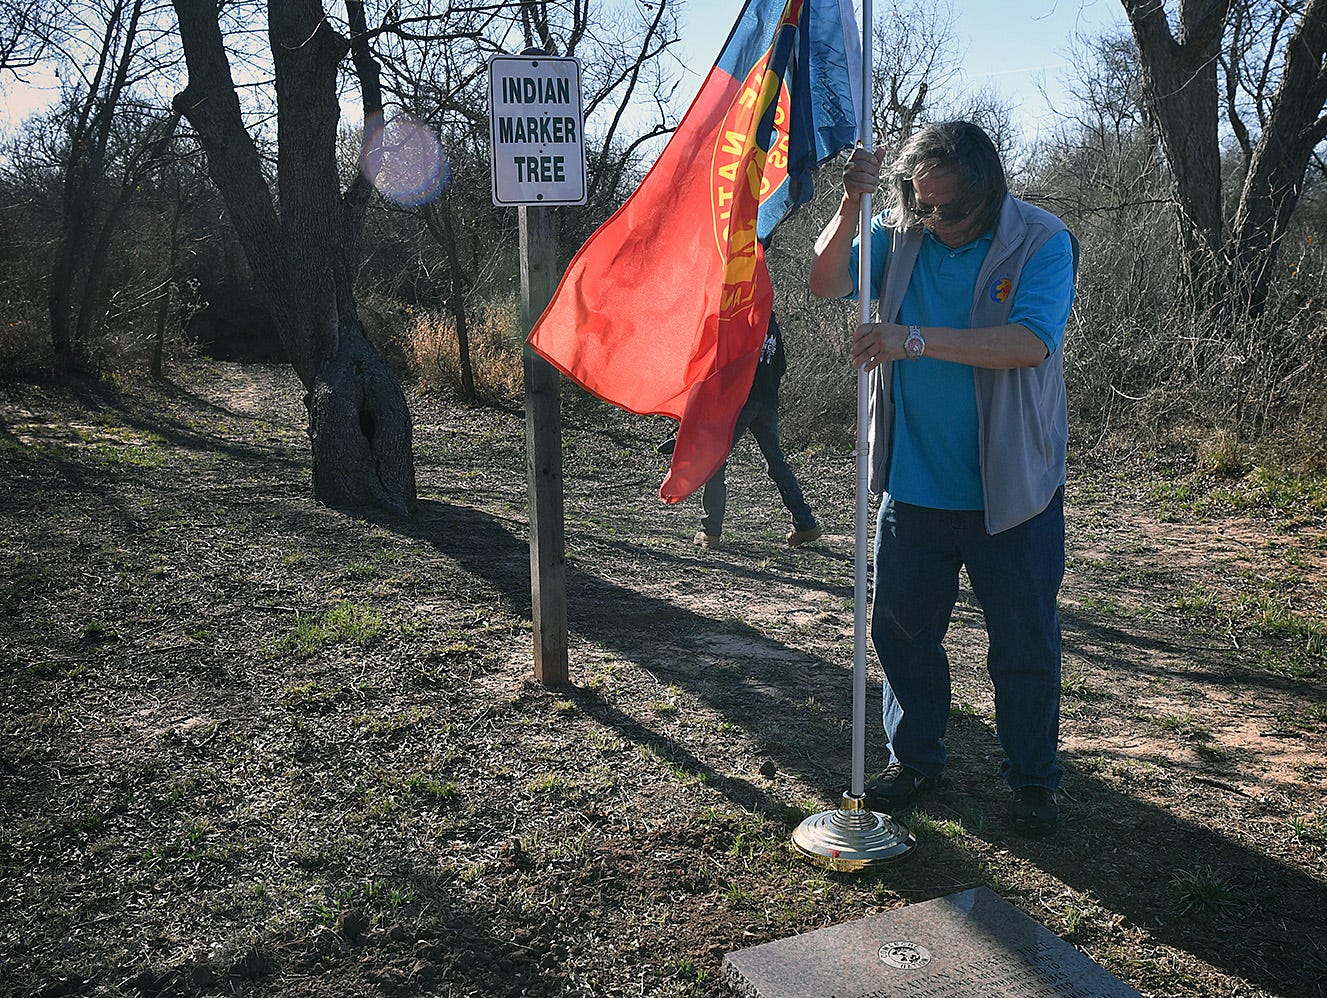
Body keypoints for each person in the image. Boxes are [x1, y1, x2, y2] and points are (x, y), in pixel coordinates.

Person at [808, 121, 1077, 836]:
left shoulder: (1041, 241)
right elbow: (825, 279)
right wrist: (849, 206)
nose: (932, 220)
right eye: (919, 204)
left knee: (1022, 645)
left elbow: (1027, 343)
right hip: (913, 488)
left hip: (1011, 492)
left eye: (948, 208)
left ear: (989, 193)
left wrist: (912, 339)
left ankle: (1030, 780)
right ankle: (915, 760)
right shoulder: (899, 235)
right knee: (900, 635)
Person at [686, 313, 823, 551]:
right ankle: (805, 524)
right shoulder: (770, 318)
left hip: (740, 400)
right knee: (776, 463)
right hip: (767, 401)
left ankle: (711, 532)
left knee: (716, 460)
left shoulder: (738, 312)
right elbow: (780, 364)